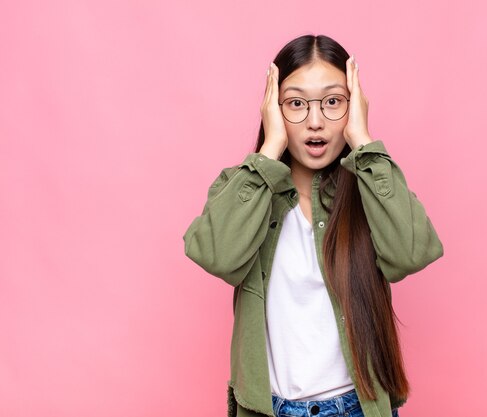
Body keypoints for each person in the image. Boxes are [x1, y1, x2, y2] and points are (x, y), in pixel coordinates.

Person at [183, 34, 444, 417]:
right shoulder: (246, 187)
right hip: (269, 409)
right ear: (274, 109)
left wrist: (364, 142)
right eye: (296, 104)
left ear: (354, 108)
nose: (316, 121)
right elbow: (217, 256)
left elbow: (412, 253)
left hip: (357, 407)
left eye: (333, 102)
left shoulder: (370, 189)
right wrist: (269, 149)